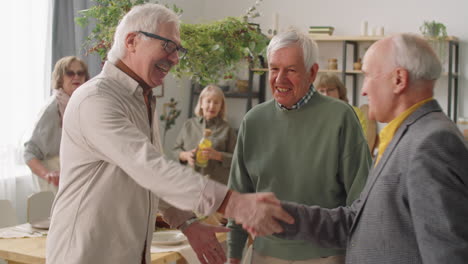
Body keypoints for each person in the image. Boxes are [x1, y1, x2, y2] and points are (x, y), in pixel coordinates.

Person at [46, 4, 293, 264]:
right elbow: (148, 166)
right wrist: (234, 203)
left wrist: (187, 222)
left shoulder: (142, 98)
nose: (175, 58)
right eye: (168, 46)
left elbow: (148, 177)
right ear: (132, 41)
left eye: (178, 50)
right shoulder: (95, 99)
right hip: (85, 255)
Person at [268, 33, 468, 264]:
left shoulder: (432, 143)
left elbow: (449, 257)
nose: (363, 90)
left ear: (399, 80)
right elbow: (356, 221)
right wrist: (276, 214)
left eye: (368, 76)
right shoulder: (405, 135)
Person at [227, 29, 372, 264]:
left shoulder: (341, 117)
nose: (279, 79)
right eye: (274, 68)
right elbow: (238, 195)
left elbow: (361, 199)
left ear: (312, 72)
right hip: (263, 254)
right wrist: (233, 255)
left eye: (291, 70)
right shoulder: (253, 121)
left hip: (326, 255)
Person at [23, 56, 89, 194]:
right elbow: (29, 152)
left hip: (74, 176)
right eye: (70, 73)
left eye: (80, 73)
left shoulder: (80, 105)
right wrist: (47, 174)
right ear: (60, 78)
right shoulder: (52, 109)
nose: (76, 77)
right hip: (56, 181)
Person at [173, 84, 237, 185]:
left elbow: (238, 159)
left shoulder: (227, 129)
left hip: (217, 185)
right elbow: (175, 150)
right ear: (201, 103)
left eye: (216, 102)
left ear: (221, 106)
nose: (212, 106)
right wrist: (185, 155)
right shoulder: (189, 125)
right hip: (190, 182)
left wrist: (218, 155)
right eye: (208, 101)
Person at [316, 74, 378, 154]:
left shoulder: (354, 113)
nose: (326, 94)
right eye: (322, 91)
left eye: (330, 90)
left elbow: (362, 144)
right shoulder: (314, 115)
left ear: (340, 92)